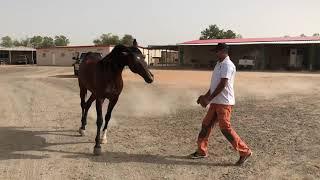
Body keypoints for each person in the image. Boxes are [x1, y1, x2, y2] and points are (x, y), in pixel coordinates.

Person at [189, 43, 252, 166]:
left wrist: (209, 99)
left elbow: (223, 84)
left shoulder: (228, 65)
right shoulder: (219, 64)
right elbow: (214, 85)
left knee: (225, 129)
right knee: (206, 125)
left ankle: (245, 151)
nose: (215, 53)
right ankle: (201, 151)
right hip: (216, 102)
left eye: (217, 51)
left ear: (224, 51)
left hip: (224, 103)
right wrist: (205, 97)